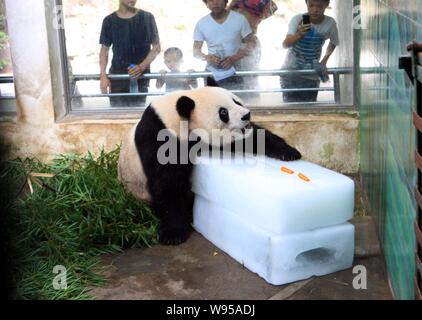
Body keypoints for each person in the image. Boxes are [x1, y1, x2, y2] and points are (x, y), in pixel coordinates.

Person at [99, 0, 161, 107]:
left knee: (138, 115)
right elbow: (104, 50)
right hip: (117, 77)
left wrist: (141, 67)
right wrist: (103, 76)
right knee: (117, 114)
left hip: (141, 77)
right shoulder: (109, 21)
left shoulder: (147, 18)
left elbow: (156, 47)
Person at [280, 0, 339, 103]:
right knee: (289, 109)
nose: (315, 10)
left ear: (326, 5)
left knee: (309, 108)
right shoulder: (298, 19)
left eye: (319, 6)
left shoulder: (330, 23)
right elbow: (285, 44)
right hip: (290, 72)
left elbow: (333, 42)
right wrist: (299, 34)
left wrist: (324, 60)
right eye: (311, 5)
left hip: (311, 75)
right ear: (306, 3)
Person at [193, 0, 255, 91]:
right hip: (212, 73)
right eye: (210, 0)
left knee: (236, 102)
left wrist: (235, 58)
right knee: (212, 103)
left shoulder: (240, 19)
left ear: (226, 1)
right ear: (206, 3)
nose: (215, 3)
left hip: (236, 72)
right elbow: (196, 51)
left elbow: (251, 43)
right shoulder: (201, 23)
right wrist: (207, 57)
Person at [228, 0, 278, 99]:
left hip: (248, 44)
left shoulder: (257, 4)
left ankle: (252, 103)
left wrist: (257, 12)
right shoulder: (237, 4)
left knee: (249, 79)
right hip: (232, 43)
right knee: (231, 78)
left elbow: (273, 7)